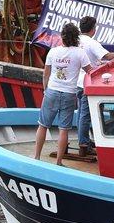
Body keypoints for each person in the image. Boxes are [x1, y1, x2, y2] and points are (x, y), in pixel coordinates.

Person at [34, 23, 92, 166]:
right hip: (69, 94)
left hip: (52, 91)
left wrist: (45, 89)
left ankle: (36, 157)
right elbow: (91, 71)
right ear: (76, 37)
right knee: (64, 129)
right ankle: (59, 162)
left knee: (43, 125)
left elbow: (45, 74)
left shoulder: (53, 52)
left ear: (62, 37)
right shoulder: (80, 53)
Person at [74, 16, 114, 158]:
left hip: (77, 81)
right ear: (93, 29)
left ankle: (83, 140)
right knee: (85, 115)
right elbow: (107, 56)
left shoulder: (76, 40)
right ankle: (84, 144)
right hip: (87, 82)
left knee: (81, 113)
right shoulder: (91, 43)